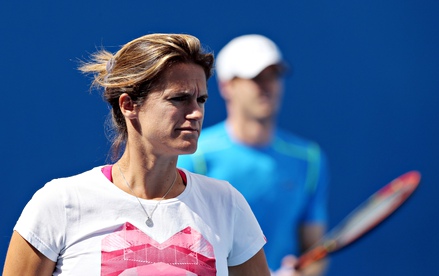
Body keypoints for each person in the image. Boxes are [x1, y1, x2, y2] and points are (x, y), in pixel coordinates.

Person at [3, 33, 271, 275]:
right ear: (129, 105)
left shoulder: (226, 203)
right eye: (179, 99)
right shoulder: (60, 203)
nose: (196, 113)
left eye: (201, 100)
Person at [177, 34, 330, 275]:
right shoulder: (193, 156)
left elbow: (315, 251)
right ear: (227, 86)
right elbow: (182, 254)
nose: (267, 85)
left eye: (274, 75)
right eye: (255, 77)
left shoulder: (309, 159)